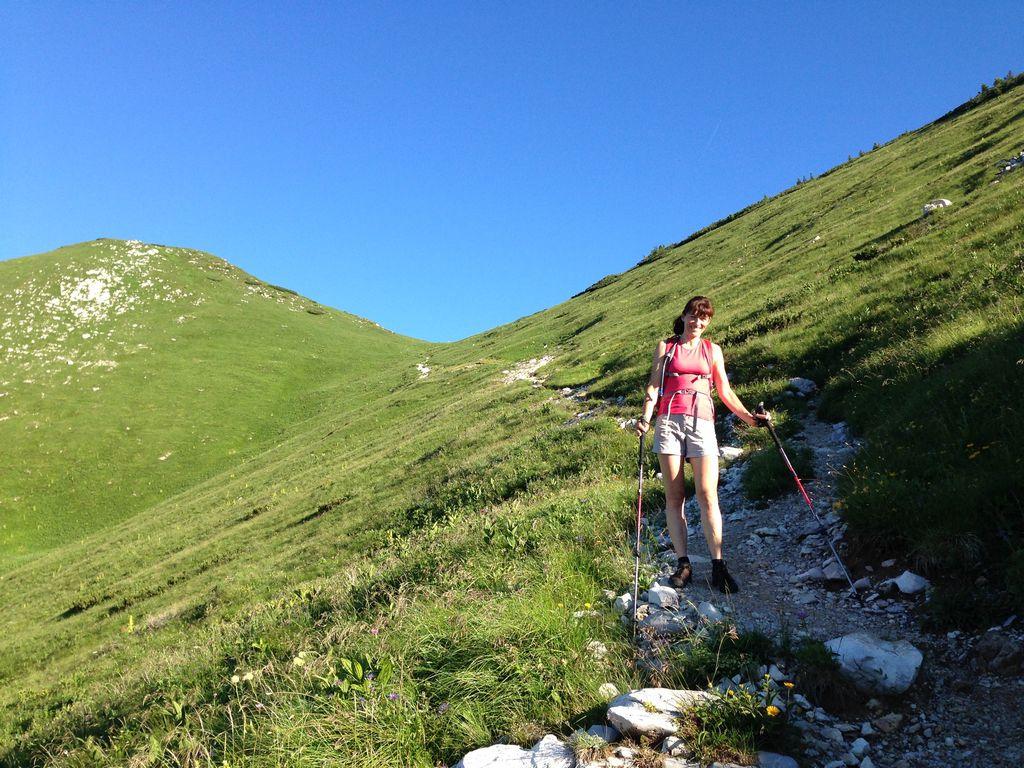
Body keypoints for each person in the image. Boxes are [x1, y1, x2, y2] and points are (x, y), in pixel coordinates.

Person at [636, 295, 767, 594]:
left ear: (708, 321)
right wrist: (645, 417)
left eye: (704, 317)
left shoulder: (712, 350)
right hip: (669, 421)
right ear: (683, 316)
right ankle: (683, 564)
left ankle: (718, 565)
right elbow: (654, 385)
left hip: (702, 423)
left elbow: (724, 391)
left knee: (708, 494)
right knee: (675, 496)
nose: (698, 322)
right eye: (693, 316)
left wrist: (750, 419)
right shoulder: (666, 347)